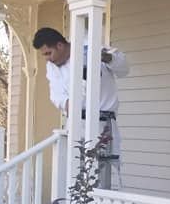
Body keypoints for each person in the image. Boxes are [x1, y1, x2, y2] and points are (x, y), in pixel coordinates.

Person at [33, 26, 129, 190]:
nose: (47, 59)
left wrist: (104, 57)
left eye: (48, 53)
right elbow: (56, 94)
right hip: (76, 123)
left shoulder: (91, 49)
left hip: (102, 123)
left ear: (60, 45)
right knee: (74, 173)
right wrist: (69, 104)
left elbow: (124, 68)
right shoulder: (52, 66)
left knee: (99, 174)